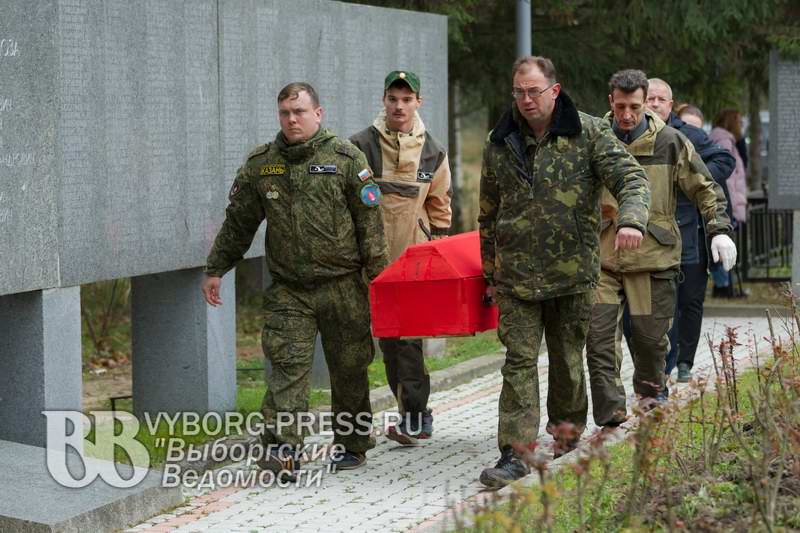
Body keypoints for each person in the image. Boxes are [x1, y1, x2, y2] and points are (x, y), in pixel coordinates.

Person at [477, 56, 651, 488]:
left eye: (533, 91)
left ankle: (566, 432)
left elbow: (631, 179)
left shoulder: (589, 133)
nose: (525, 100)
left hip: (571, 274)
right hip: (516, 276)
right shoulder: (499, 141)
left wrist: (631, 219)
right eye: (518, 92)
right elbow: (488, 212)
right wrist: (489, 272)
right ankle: (515, 453)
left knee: (567, 361)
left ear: (554, 91)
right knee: (518, 362)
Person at [202, 82, 388, 474]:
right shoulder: (262, 165)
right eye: (285, 113)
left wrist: (381, 280)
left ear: (318, 114)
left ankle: (352, 443)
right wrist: (217, 268)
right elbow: (239, 223)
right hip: (290, 289)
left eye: (300, 112)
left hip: (343, 285)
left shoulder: (346, 159)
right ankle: (283, 450)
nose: (292, 120)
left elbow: (370, 225)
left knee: (349, 368)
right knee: (288, 368)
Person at [585, 70, 735, 430]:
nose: (626, 115)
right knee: (599, 339)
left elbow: (704, 186)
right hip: (602, 258)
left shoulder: (669, 141)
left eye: (634, 107)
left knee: (652, 342)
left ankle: (651, 398)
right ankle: (610, 414)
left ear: (645, 103)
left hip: (652, 258)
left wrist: (718, 230)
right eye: (620, 106)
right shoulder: (594, 140)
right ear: (610, 102)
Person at [350, 70, 451, 446]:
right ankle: (367, 424)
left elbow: (441, 208)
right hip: (368, 263)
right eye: (393, 98)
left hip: (413, 262)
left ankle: (415, 415)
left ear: (417, 103)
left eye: (407, 99)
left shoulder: (434, 151)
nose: (399, 105)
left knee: (407, 341)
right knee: (379, 343)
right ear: (384, 100)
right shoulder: (359, 145)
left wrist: (437, 258)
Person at [645, 79, 736, 383]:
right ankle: (660, 368)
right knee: (657, 303)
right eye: (649, 98)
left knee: (690, 300)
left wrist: (693, 180)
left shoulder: (690, 134)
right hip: (648, 233)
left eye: (661, 99)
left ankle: (684, 360)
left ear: (671, 106)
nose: (654, 103)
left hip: (690, 230)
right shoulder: (631, 134)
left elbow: (725, 159)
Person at [709, 109, 748, 299]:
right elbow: (729, 178)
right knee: (724, 244)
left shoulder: (727, 140)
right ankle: (723, 286)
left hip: (730, 199)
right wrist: (731, 205)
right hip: (728, 201)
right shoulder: (724, 141)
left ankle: (724, 285)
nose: (741, 125)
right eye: (739, 121)